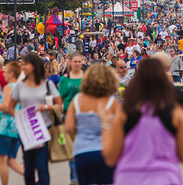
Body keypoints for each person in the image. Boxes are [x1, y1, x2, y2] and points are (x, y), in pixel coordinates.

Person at [101, 58, 183, 185]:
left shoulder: (124, 113)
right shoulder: (175, 113)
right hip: (165, 178)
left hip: (128, 178)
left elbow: (110, 157)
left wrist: (107, 124)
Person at [9, 54, 62, 185]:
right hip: (26, 130)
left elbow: (59, 106)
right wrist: (19, 118)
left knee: (41, 165)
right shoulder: (20, 86)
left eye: (25, 64)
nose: (23, 67)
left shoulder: (48, 84)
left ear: (34, 66)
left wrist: (44, 107)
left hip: (43, 129)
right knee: (28, 168)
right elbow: (10, 106)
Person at [64, 63, 119, 185]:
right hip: (105, 150)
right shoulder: (112, 103)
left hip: (82, 151)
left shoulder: (77, 100)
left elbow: (68, 127)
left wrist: (82, 132)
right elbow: (119, 129)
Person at [0, 61, 24, 185]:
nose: (4, 74)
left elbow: (7, 107)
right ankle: (33, 178)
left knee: (2, 161)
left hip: (5, 126)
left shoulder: (8, 87)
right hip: (17, 126)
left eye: (6, 72)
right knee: (11, 160)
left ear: (12, 74)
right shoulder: (21, 87)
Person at [58, 51, 84, 185]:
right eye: (75, 61)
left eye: (79, 61)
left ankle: (82, 176)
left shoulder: (86, 77)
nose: (77, 64)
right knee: (72, 148)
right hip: (69, 114)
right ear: (70, 62)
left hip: (84, 115)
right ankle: (74, 178)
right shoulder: (65, 79)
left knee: (83, 146)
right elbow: (60, 97)